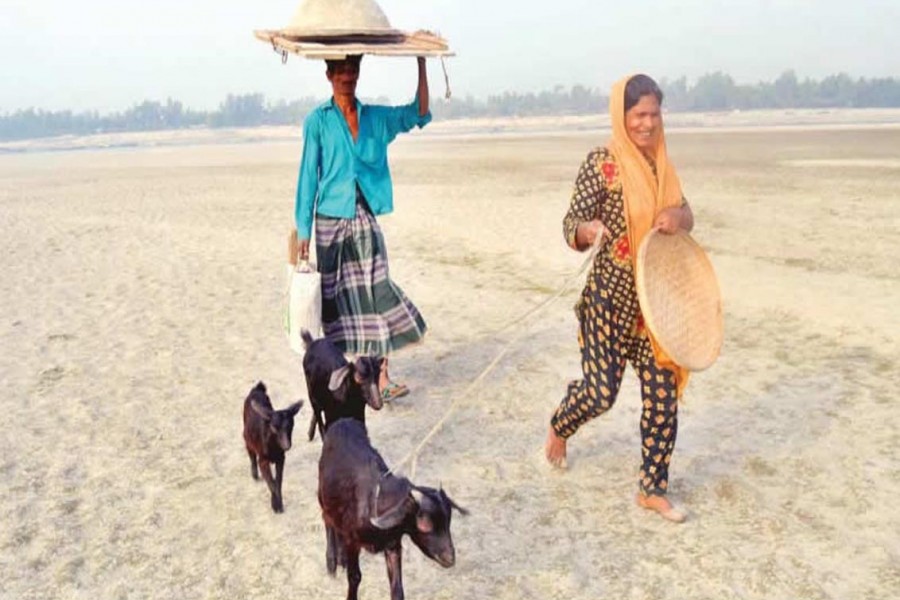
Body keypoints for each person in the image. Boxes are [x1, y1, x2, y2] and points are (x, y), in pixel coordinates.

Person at [544, 74, 694, 523]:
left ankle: (652, 487)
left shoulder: (662, 166)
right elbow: (572, 221)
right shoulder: (602, 164)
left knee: (663, 396)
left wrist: (676, 216)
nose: (648, 124)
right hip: (608, 303)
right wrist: (588, 232)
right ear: (622, 117)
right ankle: (560, 424)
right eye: (639, 115)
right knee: (600, 393)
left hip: (655, 305)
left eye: (654, 113)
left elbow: (689, 213)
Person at [294, 55, 431, 401]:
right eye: (340, 71)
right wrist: (303, 232)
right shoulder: (318, 122)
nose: (347, 77)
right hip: (329, 220)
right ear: (329, 75)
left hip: (364, 217)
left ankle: (381, 375)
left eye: (352, 70)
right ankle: (345, 373)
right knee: (332, 301)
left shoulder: (375, 119)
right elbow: (308, 177)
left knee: (377, 289)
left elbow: (417, 112)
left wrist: (421, 62)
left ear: (358, 74)